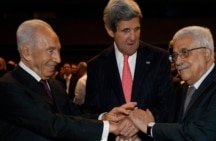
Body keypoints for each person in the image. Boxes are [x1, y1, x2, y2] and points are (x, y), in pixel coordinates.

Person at [0, 19, 138, 141]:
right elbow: (52, 125)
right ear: (26, 52)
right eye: (50, 51)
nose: (58, 59)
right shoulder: (9, 86)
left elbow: (74, 117)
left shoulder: (55, 85)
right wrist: (110, 128)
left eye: (58, 51)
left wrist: (104, 117)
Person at [129, 25, 216, 141]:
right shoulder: (179, 91)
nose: (178, 61)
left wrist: (151, 128)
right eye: (174, 56)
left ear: (206, 54)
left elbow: (206, 133)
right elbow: (176, 134)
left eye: (185, 52)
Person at [84, 0, 174, 140]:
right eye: (126, 30)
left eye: (136, 29)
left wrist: (138, 122)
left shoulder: (159, 59)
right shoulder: (96, 65)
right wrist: (106, 118)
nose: (133, 37)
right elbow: (89, 112)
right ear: (109, 30)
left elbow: (167, 105)